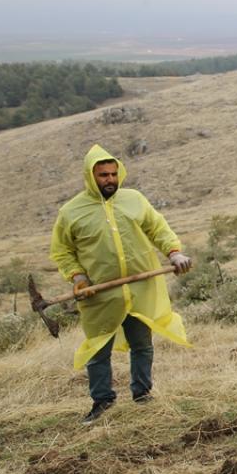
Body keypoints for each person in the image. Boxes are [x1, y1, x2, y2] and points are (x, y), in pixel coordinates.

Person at [50, 144, 194, 424]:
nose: (110, 180)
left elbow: (157, 228)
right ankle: (102, 400)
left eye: (114, 174)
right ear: (90, 176)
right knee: (97, 349)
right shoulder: (71, 212)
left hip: (140, 288)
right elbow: (62, 251)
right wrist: (78, 277)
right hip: (99, 295)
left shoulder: (134, 200)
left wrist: (174, 252)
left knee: (142, 343)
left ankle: (142, 394)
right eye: (103, 175)